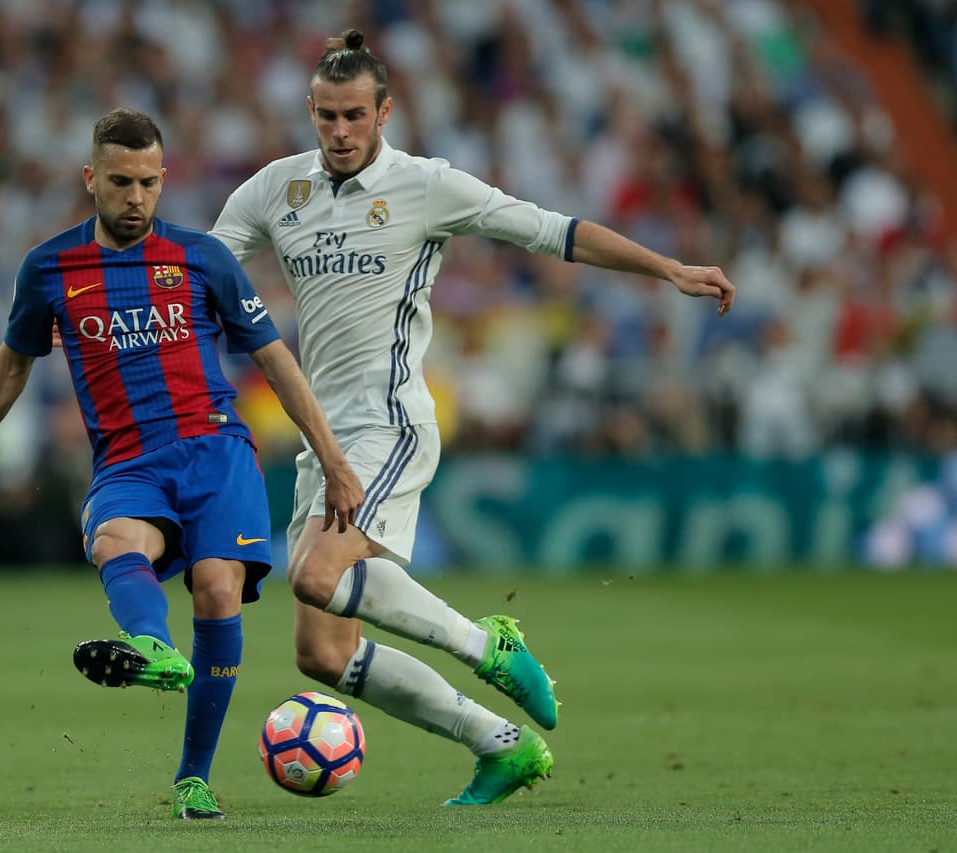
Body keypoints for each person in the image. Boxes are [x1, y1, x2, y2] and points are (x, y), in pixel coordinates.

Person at [211, 29, 737, 806]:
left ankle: (485, 642)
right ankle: (500, 744)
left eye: (355, 115)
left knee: (317, 574)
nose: (340, 131)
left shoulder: (426, 185)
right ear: (310, 111)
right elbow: (195, 272)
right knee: (321, 653)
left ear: (385, 111)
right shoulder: (275, 189)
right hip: (322, 438)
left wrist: (667, 267)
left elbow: (551, 230)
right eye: (326, 116)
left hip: (390, 424)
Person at [0, 107, 364, 821]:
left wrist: (333, 459)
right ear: (90, 178)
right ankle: (153, 648)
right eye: (121, 182)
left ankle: (193, 778)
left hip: (215, 449)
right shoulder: (49, 268)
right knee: (113, 540)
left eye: (149, 183)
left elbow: (275, 360)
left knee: (216, 587)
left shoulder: (202, 257)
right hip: (128, 459)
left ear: (164, 179)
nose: (136, 197)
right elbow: (10, 367)